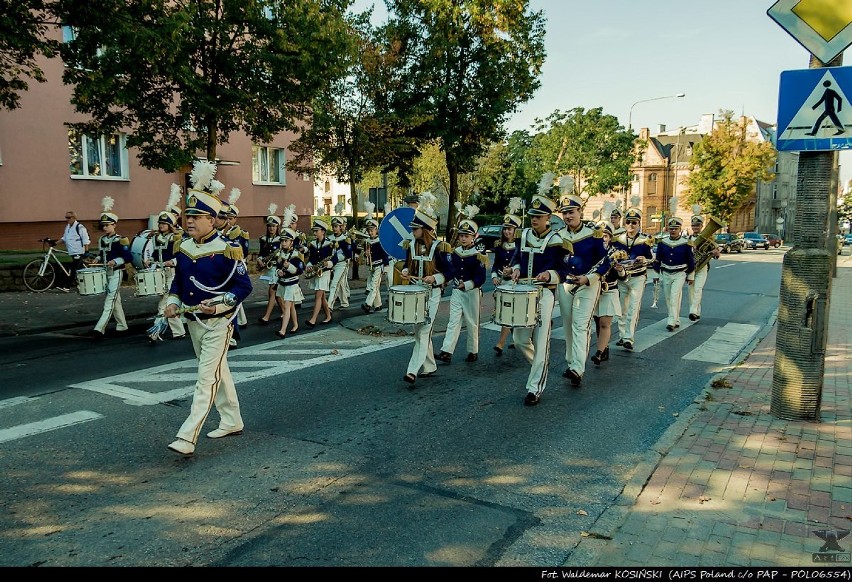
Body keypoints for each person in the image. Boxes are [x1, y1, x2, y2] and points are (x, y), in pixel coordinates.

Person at [164, 162, 252, 457]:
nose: (189, 221)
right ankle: (232, 419)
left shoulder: (229, 250)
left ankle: (187, 436)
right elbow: (177, 283)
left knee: (206, 378)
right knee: (219, 371)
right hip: (193, 322)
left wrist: (220, 305)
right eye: (188, 216)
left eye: (197, 216)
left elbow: (244, 288)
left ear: (212, 220)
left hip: (218, 323)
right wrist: (173, 302)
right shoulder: (184, 248)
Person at [509, 194, 570, 406]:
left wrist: (549, 275)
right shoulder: (524, 235)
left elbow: (563, 270)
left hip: (544, 294)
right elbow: (517, 257)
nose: (534, 219)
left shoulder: (556, 240)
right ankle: (540, 364)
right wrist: (515, 269)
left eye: (539, 216)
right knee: (519, 340)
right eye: (532, 215)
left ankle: (534, 388)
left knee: (541, 340)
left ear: (548, 218)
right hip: (524, 291)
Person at [396, 203, 454, 385]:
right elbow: (407, 263)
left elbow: (450, 272)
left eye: (416, 229)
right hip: (415, 292)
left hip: (432, 294)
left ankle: (412, 370)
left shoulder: (439, 248)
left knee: (424, 332)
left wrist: (435, 278)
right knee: (418, 331)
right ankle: (429, 366)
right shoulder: (411, 245)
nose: (413, 232)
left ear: (426, 230)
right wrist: (405, 270)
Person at [556, 195, 608, 387]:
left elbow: (605, 261)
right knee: (568, 325)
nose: (568, 216)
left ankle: (578, 368)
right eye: (565, 213)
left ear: (580, 212)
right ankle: (571, 363)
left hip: (587, 284)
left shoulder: (593, 235)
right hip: (566, 284)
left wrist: (589, 278)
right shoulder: (558, 234)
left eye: (571, 212)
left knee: (580, 325)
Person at [436, 215, 487, 364]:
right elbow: (452, 270)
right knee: (453, 321)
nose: (463, 239)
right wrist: (446, 281)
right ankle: (446, 351)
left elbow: (481, 277)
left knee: (472, 322)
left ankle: (473, 350)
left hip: (472, 292)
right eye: (461, 236)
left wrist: (468, 284)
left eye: (467, 236)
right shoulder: (456, 252)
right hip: (457, 291)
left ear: (473, 237)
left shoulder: (479, 254)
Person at [611, 207, 655, 351]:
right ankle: (622, 336)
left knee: (633, 308)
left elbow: (651, 259)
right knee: (622, 308)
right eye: (628, 222)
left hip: (638, 277)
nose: (631, 225)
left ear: (638, 224)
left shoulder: (645, 240)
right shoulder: (617, 239)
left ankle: (629, 338)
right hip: (622, 278)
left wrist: (645, 259)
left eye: (634, 222)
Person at [89, 197, 133, 339]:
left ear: (114, 225)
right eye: (103, 225)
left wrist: (115, 261)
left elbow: (128, 257)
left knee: (109, 301)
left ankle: (99, 328)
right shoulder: (102, 239)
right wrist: (97, 258)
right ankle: (122, 325)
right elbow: (102, 254)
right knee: (115, 300)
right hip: (105, 273)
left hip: (116, 273)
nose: (104, 228)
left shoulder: (121, 239)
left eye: (107, 225)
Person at [144, 196, 186, 342]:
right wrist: (150, 260)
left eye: (164, 223)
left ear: (170, 224)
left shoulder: (176, 238)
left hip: (172, 273)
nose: (161, 225)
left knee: (163, 303)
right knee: (167, 302)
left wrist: (172, 262)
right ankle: (179, 330)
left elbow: (180, 255)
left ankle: (155, 331)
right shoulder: (157, 238)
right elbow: (156, 252)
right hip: (160, 273)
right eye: (160, 223)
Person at [590, 223, 628, 366]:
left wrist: (620, 270)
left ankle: (599, 353)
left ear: (610, 238)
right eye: (599, 236)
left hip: (610, 290)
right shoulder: (591, 252)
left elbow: (625, 278)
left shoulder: (617, 253)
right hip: (594, 291)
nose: (602, 239)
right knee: (597, 322)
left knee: (604, 323)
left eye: (605, 236)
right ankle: (604, 347)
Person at [653, 217, 695, 331]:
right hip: (666, 272)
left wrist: (691, 276)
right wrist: (656, 275)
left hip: (680, 273)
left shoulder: (686, 243)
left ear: (680, 229)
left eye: (675, 228)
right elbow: (657, 260)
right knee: (668, 297)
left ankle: (671, 321)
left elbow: (691, 261)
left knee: (674, 295)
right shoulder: (663, 243)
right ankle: (676, 319)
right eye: (671, 228)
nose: (673, 231)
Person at [490, 211, 522, 356]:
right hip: (503, 283)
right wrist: (494, 276)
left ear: (516, 230)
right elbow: (496, 264)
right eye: (505, 228)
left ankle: (500, 343)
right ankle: (517, 338)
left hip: (517, 282)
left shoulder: (521, 245)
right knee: (510, 312)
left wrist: (514, 269)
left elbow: (522, 262)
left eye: (510, 229)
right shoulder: (499, 245)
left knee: (509, 312)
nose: (507, 231)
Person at [686, 214, 721, 322]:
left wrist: (715, 252)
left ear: (702, 226)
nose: (695, 227)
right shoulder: (687, 239)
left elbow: (717, 255)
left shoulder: (709, 239)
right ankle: (697, 312)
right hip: (691, 268)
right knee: (690, 291)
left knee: (698, 289)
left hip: (702, 267)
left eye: (697, 225)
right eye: (693, 225)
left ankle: (692, 311)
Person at [274, 225, 305, 339]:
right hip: (283, 283)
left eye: (286, 241)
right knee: (290, 306)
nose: (283, 243)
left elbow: (300, 270)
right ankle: (295, 325)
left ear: (291, 241)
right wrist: (279, 272)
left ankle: (282, 330)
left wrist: (290, 267)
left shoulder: (297, 254)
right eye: (282, 240)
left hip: (292, 283)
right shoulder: (280, 254)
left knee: (287, 305)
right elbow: (277, 267)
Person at [304, 218, 335, 327]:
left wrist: (329, 264)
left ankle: (313, 319)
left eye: (317, 231)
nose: (315, 233)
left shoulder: (330, 244)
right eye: (314, 231)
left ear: (323, 231)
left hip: (325, 272)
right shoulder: (312, 244)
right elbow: (312, 258)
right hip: (317, 272)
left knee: (318, 295)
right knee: (322, 297)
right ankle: (328, 315)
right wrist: (309, 265)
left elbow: (334, 258)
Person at [257, 206, 284, 325]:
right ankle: (285, 311)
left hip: (277, 268)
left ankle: (266, 317)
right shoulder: (263, 239)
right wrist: (260, 261)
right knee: (276, 293)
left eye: (274, 226)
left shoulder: (281, 240)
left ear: (277, 227)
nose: (271, 228)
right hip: (268, 268)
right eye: (270, 226)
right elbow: (260, 253)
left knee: (272, 291)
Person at [361, 217, 390, 312]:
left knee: (374, 285)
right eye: (369, 230)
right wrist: (366, 254)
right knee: (373, 285)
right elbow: (366, 254)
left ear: (376, 230)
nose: (370, 232)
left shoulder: (380, 241)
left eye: (372, 230)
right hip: (372, 265)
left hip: (380, 265)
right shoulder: (367, 241)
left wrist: (386, 266)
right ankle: (378, 305)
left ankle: (368, 304)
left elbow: (384, 254)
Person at [58, 210, 90, 291]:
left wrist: (86, 251)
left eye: (68, 217)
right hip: (72, 252)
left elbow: (85, 239)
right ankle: (84, 284)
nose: (67, 219)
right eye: (66, 217)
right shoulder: (68, 227)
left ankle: (67, 287)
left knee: (73, 269)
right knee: (80, 269)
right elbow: (64, 238)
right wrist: (54, 243)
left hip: (79, 251)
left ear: (74, 218)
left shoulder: (80, 227)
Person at [327, 216, 354, 310]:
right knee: (340, 283)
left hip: (341, 264)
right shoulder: (329, 238)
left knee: (334, 284)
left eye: (337, 226)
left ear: (341, 227)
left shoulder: (345, 239)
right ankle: (344, 302)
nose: (335, 228)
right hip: (331, 264)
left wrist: (337, 257)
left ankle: (329, 305)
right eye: (333, 226)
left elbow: (348, 254)